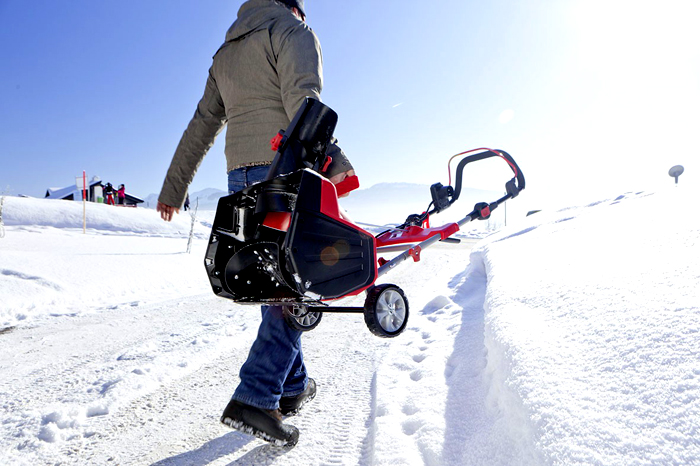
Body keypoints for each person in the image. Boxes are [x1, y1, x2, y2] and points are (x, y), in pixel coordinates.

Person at [156, 0, 354, 447]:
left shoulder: (225, 53)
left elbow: (201, 125)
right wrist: (336, 160)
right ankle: (256, 395)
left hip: (240, 178)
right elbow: (303, 101)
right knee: (293, 283)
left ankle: (292, 385)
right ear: (293, 6)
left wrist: (173, 189)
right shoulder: (291, 31)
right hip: (284, 170)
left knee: (275, 283)